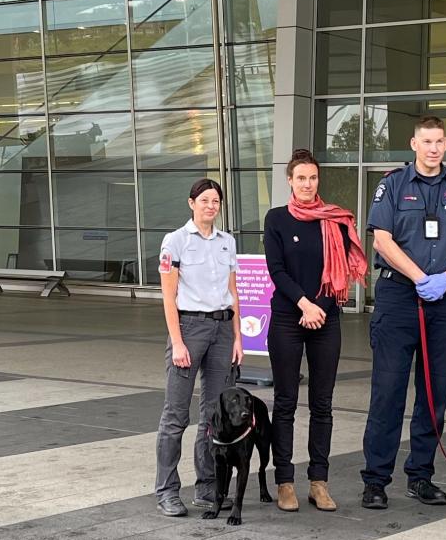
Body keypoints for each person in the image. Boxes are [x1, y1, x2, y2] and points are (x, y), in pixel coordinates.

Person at [360, 116, 446, 511]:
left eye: (439, 142)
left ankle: (420, 476)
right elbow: (382, 239)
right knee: (388, 394)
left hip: (445, 301)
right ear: (413, 144)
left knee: (434, 396)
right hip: (400, 297)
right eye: (426, 141)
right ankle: (376, 481)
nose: (433, 148)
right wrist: (418, 277)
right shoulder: (393, 185)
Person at [263, 149, 367, 513]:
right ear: (290, 181)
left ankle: (318, 483)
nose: (308, 184)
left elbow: (339, 276)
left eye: (313, 178)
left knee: (323, 404)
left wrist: (318, 308)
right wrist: (304, 304)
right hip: (287, 319)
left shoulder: (334, 220)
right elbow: (276, 271)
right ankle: (285, 482)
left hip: (326, 317)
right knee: (286, 403)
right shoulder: (276, 219)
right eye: (301, 178)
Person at [154, 178, 244, 517]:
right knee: (176, 414)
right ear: (191, 203)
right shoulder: (175, 241)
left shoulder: (227, 242)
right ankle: (166, 490)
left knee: (213, 415)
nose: (211, 205)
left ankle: (207, 488)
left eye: (216, 200)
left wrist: (238, 336)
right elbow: (168, 297)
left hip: (222, 329)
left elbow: (233, 293)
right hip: (189, 328)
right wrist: (177, 341)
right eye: (204, 200)